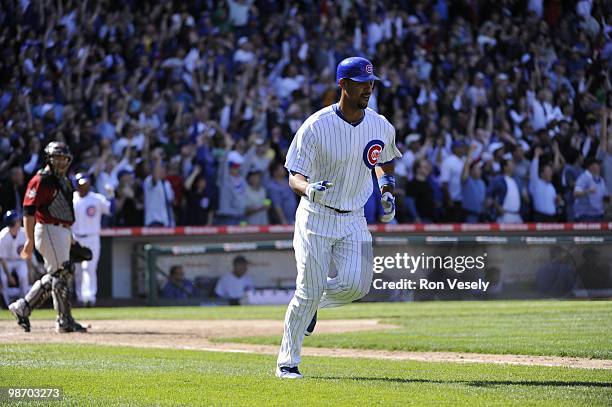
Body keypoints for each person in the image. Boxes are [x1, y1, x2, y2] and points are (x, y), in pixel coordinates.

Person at [276, 57, 401, 379]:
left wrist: (386, 189)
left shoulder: (380, 124)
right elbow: (293, 176)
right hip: (316, 216)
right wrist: (308, 189)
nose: (368, 89)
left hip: (353, 216)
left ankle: (313, 306)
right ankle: (287, 363)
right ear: (342, 85)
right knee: (306, 290)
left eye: (371, 83)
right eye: (361, 82)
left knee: (357, 285)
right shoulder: (316, 126)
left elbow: (384, 160)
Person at [8, 141, 87, 333]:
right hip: (47, 228)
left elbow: (66, 215)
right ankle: (64, 320)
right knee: (62, 272)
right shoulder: (41, 179)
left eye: (64, 159)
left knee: (59, 274)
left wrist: (71, 238)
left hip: (62, 230)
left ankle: (23, 306)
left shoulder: (65, 181)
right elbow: (28, 211)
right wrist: (28, 239)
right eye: (57, 158)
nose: (61, 163)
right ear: (49, 159)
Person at [72, 172, 111, 307]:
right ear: (76, 185)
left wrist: (111, 194)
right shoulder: (72, 200)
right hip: (75, 238)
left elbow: (110, 209)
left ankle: (90, 297)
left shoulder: (96, 199)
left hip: (92, 237)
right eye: (81, 184)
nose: (84, 186)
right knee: (77, 270)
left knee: (90, 267)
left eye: (86, 183)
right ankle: (80, 297)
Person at [0, 211, 33, 306]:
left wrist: (30, 269)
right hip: (7, 262)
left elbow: (27, 253)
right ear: (11, 223)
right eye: (16, 220)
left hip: (20, 261)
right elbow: (2, 258)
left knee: (23, 276)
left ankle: (24, 303)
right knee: (3, 278)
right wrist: (9, 275)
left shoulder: (23, 233)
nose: (19, 222)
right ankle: (7, 304)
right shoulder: (2, 236)